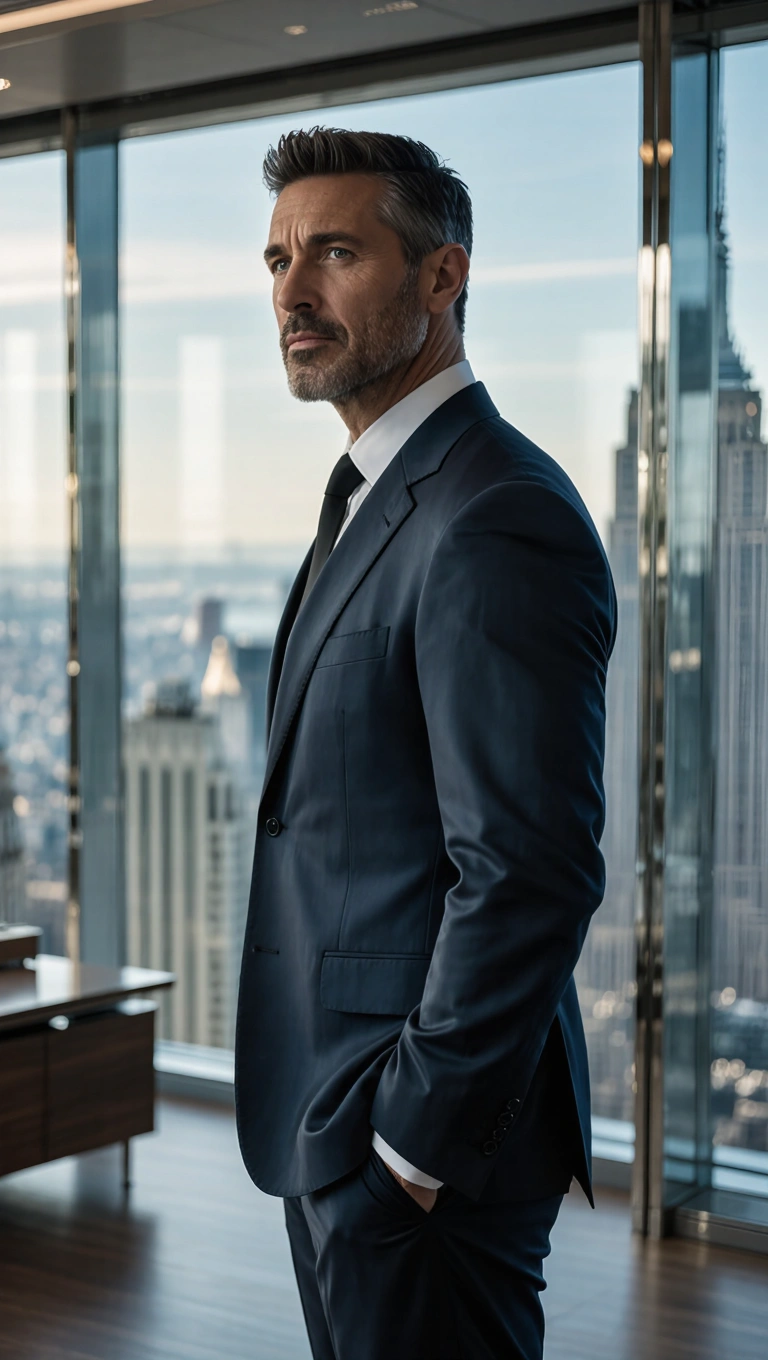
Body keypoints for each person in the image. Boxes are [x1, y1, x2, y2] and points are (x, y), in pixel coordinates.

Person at [234, 127, 617, 1360]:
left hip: (415, 1151)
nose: (294, 292)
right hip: (338, 1119)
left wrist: (405, 1153)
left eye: (336, 252)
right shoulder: (378, 493)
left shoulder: (491, 510)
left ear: (443, 277)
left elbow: (527, 868)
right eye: (280, 258)